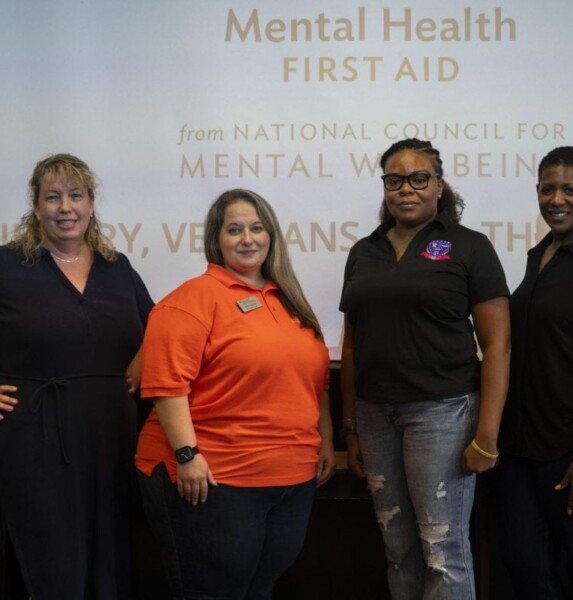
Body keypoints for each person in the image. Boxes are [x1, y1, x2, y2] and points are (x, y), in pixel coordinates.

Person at [135, 188, 335, 600]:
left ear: (271, 235)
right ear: (216, 238)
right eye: (235, 229)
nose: (248, 238)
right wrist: (187, 456)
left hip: (291, 477)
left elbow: (318, 381)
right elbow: (166, 385)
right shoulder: (192, 299)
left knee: (258, 588)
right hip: (213, 477)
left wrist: (326, 441)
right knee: (214, 591)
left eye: (257, 228)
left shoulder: (290, 300)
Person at [340, 138, 510, 599]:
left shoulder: (469, 246)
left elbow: (497, 345)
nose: (406, 189)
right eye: (394, 180)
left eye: (419, 178)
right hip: (376, 417)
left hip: (443, 414)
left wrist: (488, 437)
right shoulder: (364, 250)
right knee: (398, 548)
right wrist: (351, 428)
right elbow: (351, 346)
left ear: (438, 185)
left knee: (443, 550)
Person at [0, 153, 154, 599]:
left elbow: (162, 326)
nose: (65, 208)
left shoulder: (117, 266)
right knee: (49, 554)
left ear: (91, 204)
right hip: (35, 440)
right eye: (53, 197)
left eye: (75, 195)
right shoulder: (9, 265)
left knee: (110, 553)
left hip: (111, 437)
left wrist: (145, 355)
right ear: (36, 206)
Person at [496, 146, 573, 598]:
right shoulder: (540, 254)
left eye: (569, 189)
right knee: (525, 567)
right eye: (547, 188)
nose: (556, 199)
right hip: (519, 447)